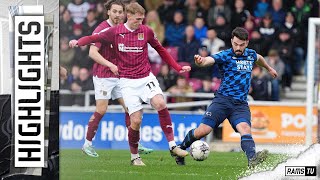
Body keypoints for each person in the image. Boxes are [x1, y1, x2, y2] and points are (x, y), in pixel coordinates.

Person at [69, 2, 191, 166]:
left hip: (145, 77)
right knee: (135, 120)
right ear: (129, 16)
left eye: (142, 19)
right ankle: (134, 156)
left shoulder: (146, 31)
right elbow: (93, 39)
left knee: (161, 103)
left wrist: (177, 67)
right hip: (125, 81)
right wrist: (78, 42)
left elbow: (161, 50)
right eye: (137, 19)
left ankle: (172, 146)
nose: (140, 22)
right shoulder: (114, 32)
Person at [175, 27, 278, 168]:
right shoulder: (225, 55)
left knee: (245, 129)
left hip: (240, 104)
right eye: (235, 44)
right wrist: (201, 61)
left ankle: (252, 160)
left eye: (241, 45)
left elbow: (259, 58)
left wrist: (269, 68)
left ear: (247, 43)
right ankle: (180, 149)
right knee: (203, 131)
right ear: (231, 41)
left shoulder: (251, 54)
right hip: (222, 101)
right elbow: (209, 60)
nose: (238, 47)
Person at [80, 0, 152, 158]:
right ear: (108, 12)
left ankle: (136, 144)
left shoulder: (123, 28)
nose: (118, 15)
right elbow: (92, 52)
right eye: (115, 12)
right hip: (103, 75)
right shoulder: (102, 29)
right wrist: (110, 65)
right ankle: (87, 144)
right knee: (101, 109)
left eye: (120, 12)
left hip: (119, 75)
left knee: (131, 108)